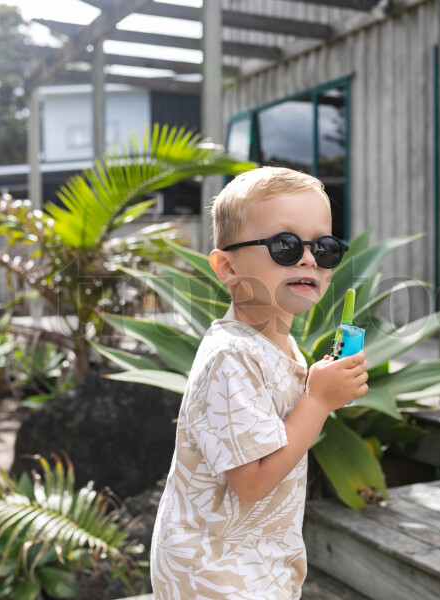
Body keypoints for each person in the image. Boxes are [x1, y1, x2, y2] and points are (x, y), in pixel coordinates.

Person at [149, 166, 369, 599]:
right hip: (216, 573)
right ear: (227, 267)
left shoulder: (278, 347)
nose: (309, 259)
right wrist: (317, 401)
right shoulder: (231, 356)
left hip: (254, 562)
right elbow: (251, 483)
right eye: (286, 246)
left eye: (324, 248)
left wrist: (326, 388)